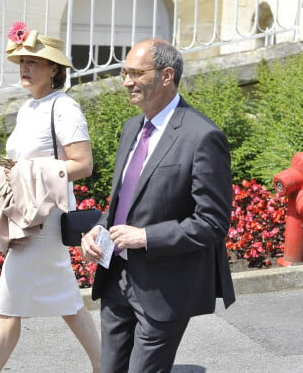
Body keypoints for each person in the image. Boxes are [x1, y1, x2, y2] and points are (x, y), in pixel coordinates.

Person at [0, 22, 101, 373]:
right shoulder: (28, 109)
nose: (25, 67)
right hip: (27, 215)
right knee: (67, 300)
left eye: (34, 60)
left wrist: (33, 169)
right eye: (22, 61)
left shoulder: (64, 108)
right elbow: (8, 166)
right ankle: (104, 365)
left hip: (44, 218)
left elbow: (83, 164)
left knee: (9, 303)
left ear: (54, 69)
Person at [81, 39, 236, 372]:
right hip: (116, 279)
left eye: (137, 73)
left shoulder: (202, 136)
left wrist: (145, 237)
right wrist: (98, 229)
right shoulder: (131, 128)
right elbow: (123, 202)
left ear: (167, 75)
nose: (126, 81)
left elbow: (212, 223)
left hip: (164, 288)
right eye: (125, 73)